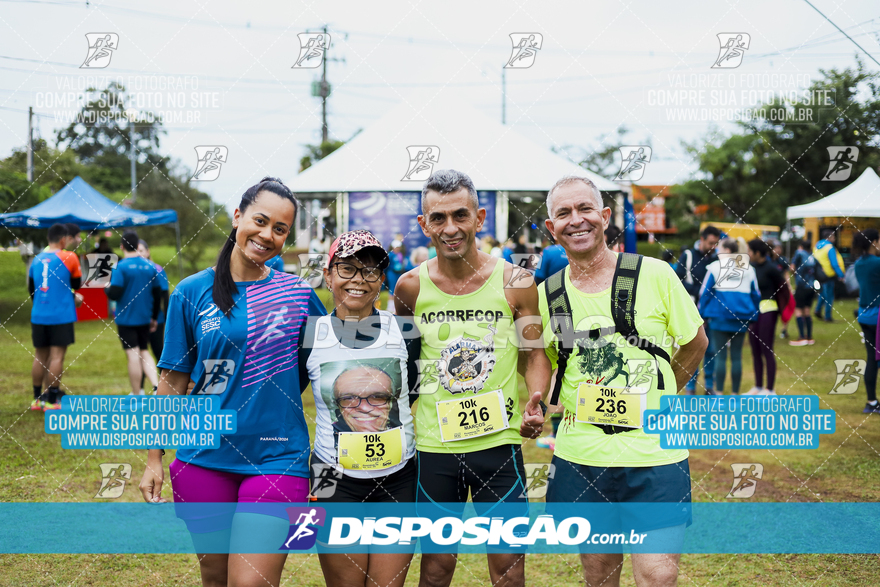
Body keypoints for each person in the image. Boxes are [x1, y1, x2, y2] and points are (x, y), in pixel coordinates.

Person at [139, 177, 326, 587]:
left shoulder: (297, 293)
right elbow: (170, 385)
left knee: (251, 581)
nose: (268, 235)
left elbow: (324, 366)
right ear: (238, 216)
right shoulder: (191, 292)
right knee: (215, 576)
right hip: (203, 458)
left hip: (278, 459)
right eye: (260, 221)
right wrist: (154, 458)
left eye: (280, 229)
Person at [538, 176, 707, 587]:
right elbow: (552, 367)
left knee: (658, 575)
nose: (576, 221)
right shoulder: (547, 295)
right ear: (551, 227)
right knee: (598, 575)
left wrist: (660, 396)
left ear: (605, 216)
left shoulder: (657, 274)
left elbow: (695, 344)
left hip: (655, 456)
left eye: (585, 209)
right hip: (582, 457)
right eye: (563, 213)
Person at [393, 169, 550, 587]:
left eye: (460, 215)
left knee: (508, 567)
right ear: (424, 224)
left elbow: (535, 354)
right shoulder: (408, 288)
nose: (450, 228)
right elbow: (404, 362)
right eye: (438, 218)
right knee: (437, 567)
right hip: (434, 449)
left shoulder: (516, 282)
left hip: (498, 446)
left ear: (480, 217)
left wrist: (537, 398)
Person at [299, 230, 419, 587]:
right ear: (329, 273)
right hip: (331, 478)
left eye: (370, 271)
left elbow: (414, 393)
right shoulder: (310, 332)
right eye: (348, 268)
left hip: (399, 477)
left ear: (381, 279)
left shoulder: (406, 330)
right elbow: (287, 395)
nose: (359, 280)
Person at [27, 223, 83, 410]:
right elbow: (76, 284)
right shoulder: (70, 257)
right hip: (61, 315)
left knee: (40, 356)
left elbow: (31, 289)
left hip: (39, 315)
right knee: (57, 357)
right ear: (62, 239)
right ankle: (52, 400)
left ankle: (36, 399)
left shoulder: (36, 259)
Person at [699, 239, 760, 395]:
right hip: (741, 317)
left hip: (719, 317)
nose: (717, 252)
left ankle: (718, 393)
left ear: (726, 249)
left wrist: (702, 315)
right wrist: (753, 315)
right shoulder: (748, 268)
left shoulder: (714, 267)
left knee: (720, 357)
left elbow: (704, 293)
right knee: (736, 357)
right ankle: (734, 394)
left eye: (719, 248)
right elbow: (756, 294)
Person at [106, 231, 162, 396]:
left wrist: (106, 288)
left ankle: (137, 394)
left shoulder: (121, 267)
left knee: (133, 355)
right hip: (145, 318)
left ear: (122, 246)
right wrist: (153, 317)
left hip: (126, 320)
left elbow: (115, 293)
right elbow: (157, 293)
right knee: (144, 351)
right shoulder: (150, 266)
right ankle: (157, 385)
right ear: (137, 246)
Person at [676, 225, 721, 395]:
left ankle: (709, 386)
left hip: (709, 311)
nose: (713, 247)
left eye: (716, 243)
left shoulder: (715, 259)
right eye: (710, 243)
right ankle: (690, 387)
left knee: (711, 349)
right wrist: (700, 291)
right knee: (692, 348)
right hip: (691, 310)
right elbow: (677, 281)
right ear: (701, 240)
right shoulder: (688, 256)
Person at [745, 239, 785, 396]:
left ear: (757, 253)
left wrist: (783, 310)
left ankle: (770, 389)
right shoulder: (750, 268)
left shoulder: (771, 269)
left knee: (766, 348)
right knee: (755, 349)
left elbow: (783, 288)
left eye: (749, 251)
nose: (747, 254)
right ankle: (758, 386)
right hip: (754, 311)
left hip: (769, 310)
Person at [853, 229, 880, 414]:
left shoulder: (858, 264)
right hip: (878, 315)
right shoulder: (877, 263)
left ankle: (871, 401)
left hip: (864, 315)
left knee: (872, 358)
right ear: (874, 242)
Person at [137, 240, 170, 393]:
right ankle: (138, 389)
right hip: (138, 320)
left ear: (148, 251)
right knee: (137, 354)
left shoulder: (156, 269)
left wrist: (168, 317)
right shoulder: (133, 271)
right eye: (136, 250)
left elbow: (164, 294)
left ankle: (163, 388)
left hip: (157, 319)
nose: (139, 254)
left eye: (142, 250)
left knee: (158, 352)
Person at [790, 240, 818, 346]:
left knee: (798, 311)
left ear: (801, 246)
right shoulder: (812, 256)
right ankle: (809, 337)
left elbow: (792, 268)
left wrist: (796, 274)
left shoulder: (799, 253)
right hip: (811, 287)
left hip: (801, 286)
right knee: (807, 311)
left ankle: (801, 337)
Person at [813, 228, 845, 322]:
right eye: (833, 236)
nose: (834, 239)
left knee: (823, 293)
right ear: (829, 237)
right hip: (828, 275)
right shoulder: (830, 248)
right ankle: (828, 317)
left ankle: (817, 310)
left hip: (819, 274)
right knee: (829, 296)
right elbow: (834, 264)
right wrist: (841, 275)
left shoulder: (817, 246)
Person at [770, 240, 792, 339]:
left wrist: (789, 285)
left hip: (781, 288)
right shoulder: (768, 260)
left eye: (779, 248)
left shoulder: (782, 260)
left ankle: (784, 330)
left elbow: (786, 273)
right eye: (776, 248)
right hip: (771, 289)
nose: (778, 250)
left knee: (784, 309)